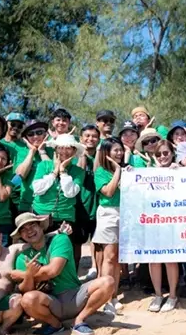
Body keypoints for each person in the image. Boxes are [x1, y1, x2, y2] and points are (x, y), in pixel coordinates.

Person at [11, 213, 115, 335]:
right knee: (27, 299)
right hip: (50, 302)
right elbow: (26, 289)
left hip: (74, 295)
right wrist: (28, 275)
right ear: (21, 235)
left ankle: (79, 320)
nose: (29, 231)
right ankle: (55, 324)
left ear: (41, 227)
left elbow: (53, 271)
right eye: (23, 229)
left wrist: (24, 274)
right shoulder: (22, 257)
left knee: (108, 282)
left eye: (32, 225)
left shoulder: (60, 239)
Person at [31, 134, 87, 265]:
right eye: (61, 148)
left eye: (69, 148)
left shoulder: (78, 171)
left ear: (74, 151)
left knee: (63, 254)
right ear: (55, 149)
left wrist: (63, 172)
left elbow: (70, 193)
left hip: (65, 217)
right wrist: (54, 172)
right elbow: (37, 189)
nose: (64, 152)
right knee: (41, 253)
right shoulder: (44, 165)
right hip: (41, 216)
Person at [146, 140, 182, 313]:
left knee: (170, 259)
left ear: (172, 153)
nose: (162, 157)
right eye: (159, 154)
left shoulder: (180, 172)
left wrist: (178, 174)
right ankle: (158, 294)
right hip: (153, 222)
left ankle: (173, 295)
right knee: (154, 259)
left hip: (173, 223)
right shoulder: (148, 173)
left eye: (166, 153)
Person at [93, 137, 124, 314]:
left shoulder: (127, 169)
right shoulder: (101, 172)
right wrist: (118, 171)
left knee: (118, 257)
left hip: (124, 213)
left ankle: (114, 294)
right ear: (106, 153)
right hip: (108, 214)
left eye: (120, 150)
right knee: (109, 256)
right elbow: (109, 191)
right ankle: (106, 297)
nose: (119, 153)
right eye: (115, 150)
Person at [13, 120, 51, 214]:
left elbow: (53, 172)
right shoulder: (22, 152)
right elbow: (19, 177)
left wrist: (42, 151)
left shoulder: (52, 150)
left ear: (45, 134)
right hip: (27, 205)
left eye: (39, 132)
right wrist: (32, 151)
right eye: (30, 134)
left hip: (48, 204)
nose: (35, 136)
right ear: (25, 138)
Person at [78, 124, 100, 280]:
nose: (90, 139)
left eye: (94, 136)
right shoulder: (76, 155)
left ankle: (95, 268)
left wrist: (98, 152)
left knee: (97, 240)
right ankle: (75, 272)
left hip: (97, 204)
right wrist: (83, 153)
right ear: (81, 138)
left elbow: (98, 172)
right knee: (77, 241)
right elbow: (79, 173)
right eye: (87, 136)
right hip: (80, 205)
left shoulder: (101, 155)